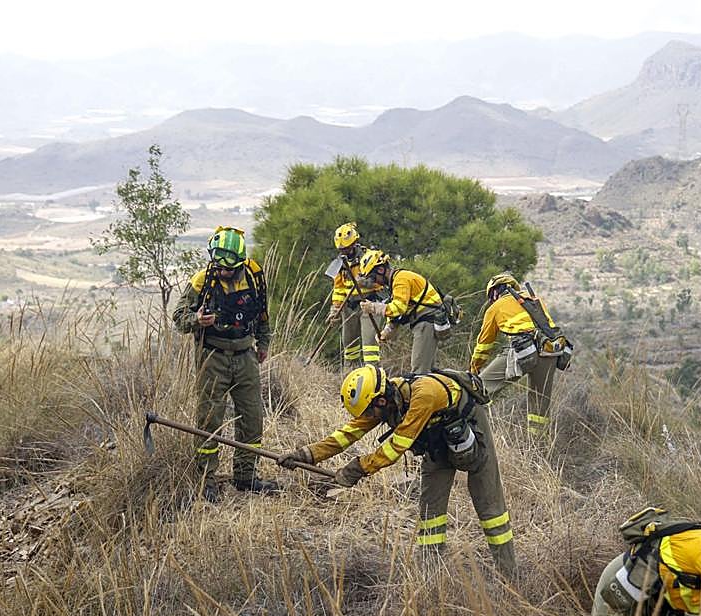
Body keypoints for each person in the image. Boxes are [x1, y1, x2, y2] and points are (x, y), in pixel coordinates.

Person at [282, 364, 516, 576]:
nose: (367, 419)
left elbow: (396, 448)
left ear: (380, 402)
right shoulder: (384, 398)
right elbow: (347, 434)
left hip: (470, 427)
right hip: (435, 441)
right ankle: (430, 576)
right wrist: (306, 455)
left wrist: (357, 469)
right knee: (430, 512)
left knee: (489, 504)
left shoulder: (423, 395)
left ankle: (508, 574)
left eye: (368, 413)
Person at [171, 226, 278, 502]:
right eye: (217, 266)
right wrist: (197, 319)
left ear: (239, 263)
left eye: (227, 268)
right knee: (209, 418)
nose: (221, 272)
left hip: (245, 356)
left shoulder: (254, 277)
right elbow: (179, 316)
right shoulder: (202, 280)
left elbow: (262, 314)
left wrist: (263, 344)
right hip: (212, 356)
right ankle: (206, 479)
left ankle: (245, 476)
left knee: (252, 417)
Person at [469, 272, 572, 436]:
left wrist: (474, 369)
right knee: (539, 408)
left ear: (495, 291)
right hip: (550, 353)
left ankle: (473, 433)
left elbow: (484, 346)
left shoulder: (495, 308)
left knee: (479, 391)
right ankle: (539, 448)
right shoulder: (535, 300)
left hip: (522, 352)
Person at [356, 250, 448, 373]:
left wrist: (373, 307)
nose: (374, 282)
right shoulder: (395, 281)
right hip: (423, 322)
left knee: (419, 372)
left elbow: (398, 308)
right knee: (427, 371)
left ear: (381, 270)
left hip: (426, 322)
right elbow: (399, 314)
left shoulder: (401, 279)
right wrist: (387, 331)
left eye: (373, 277)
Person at [325, 222, 387, 369]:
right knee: (349, 345)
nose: (344, 252)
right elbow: (339, 288)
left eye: (346, 248)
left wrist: (365, 283)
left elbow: (381, 283)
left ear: (355, 243)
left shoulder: (370, 258)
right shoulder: (340, 263)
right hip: (349, 307)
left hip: (369, 305)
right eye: (341, 249)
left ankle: (373, 376)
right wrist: (335, 309)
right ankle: (350, 373)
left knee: (369, 345)